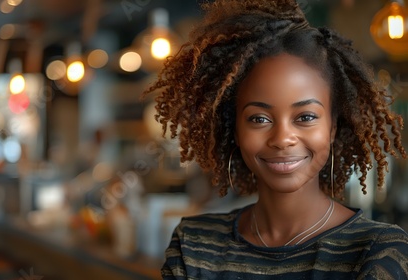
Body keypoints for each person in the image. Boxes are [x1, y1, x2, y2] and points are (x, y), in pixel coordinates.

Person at [144, 0, 408, 278]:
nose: (283, 139)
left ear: (332, 127)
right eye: (259, 118)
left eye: (305, 117)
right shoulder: (193, 245)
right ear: (234, 129)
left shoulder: (378, 251)